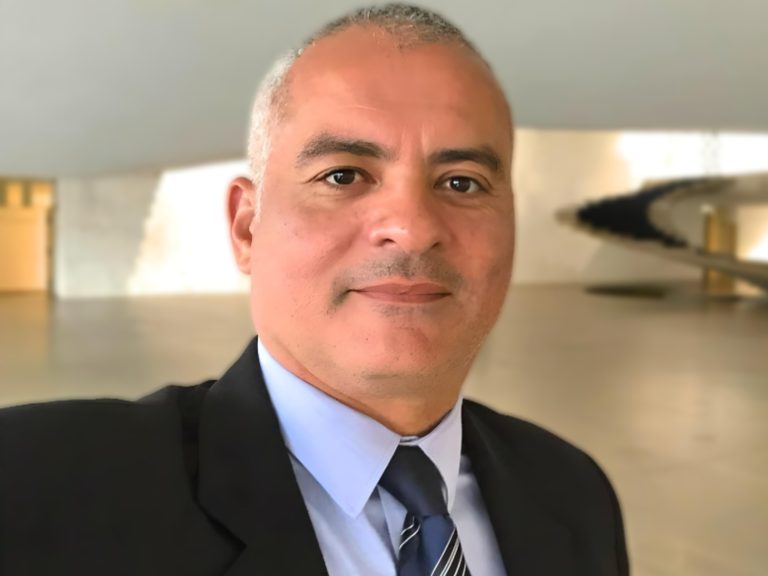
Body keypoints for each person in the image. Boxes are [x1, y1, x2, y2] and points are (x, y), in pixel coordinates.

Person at [0, 4, 629, 575]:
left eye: (462, 182)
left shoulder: (571, 494)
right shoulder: (36, 488)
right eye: (344, 175)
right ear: (247, 228)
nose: (412, 227)